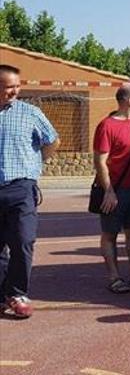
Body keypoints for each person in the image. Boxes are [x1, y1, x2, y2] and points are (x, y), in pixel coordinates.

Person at [0, 64, 58, 318]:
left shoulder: (30, 113)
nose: (14, 91)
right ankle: (3, 296)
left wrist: (35, 165)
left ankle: (17, 292)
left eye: (16, 86)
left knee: (23, 240)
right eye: (8, 87)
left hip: (21, 187)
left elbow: (53, 141)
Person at [93, 84, 130, 294]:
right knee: (110, 234)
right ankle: (114, 277)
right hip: (115, 190)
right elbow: (100, 161)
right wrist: (108, 190)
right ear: (129, 101)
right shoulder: (106, 125)